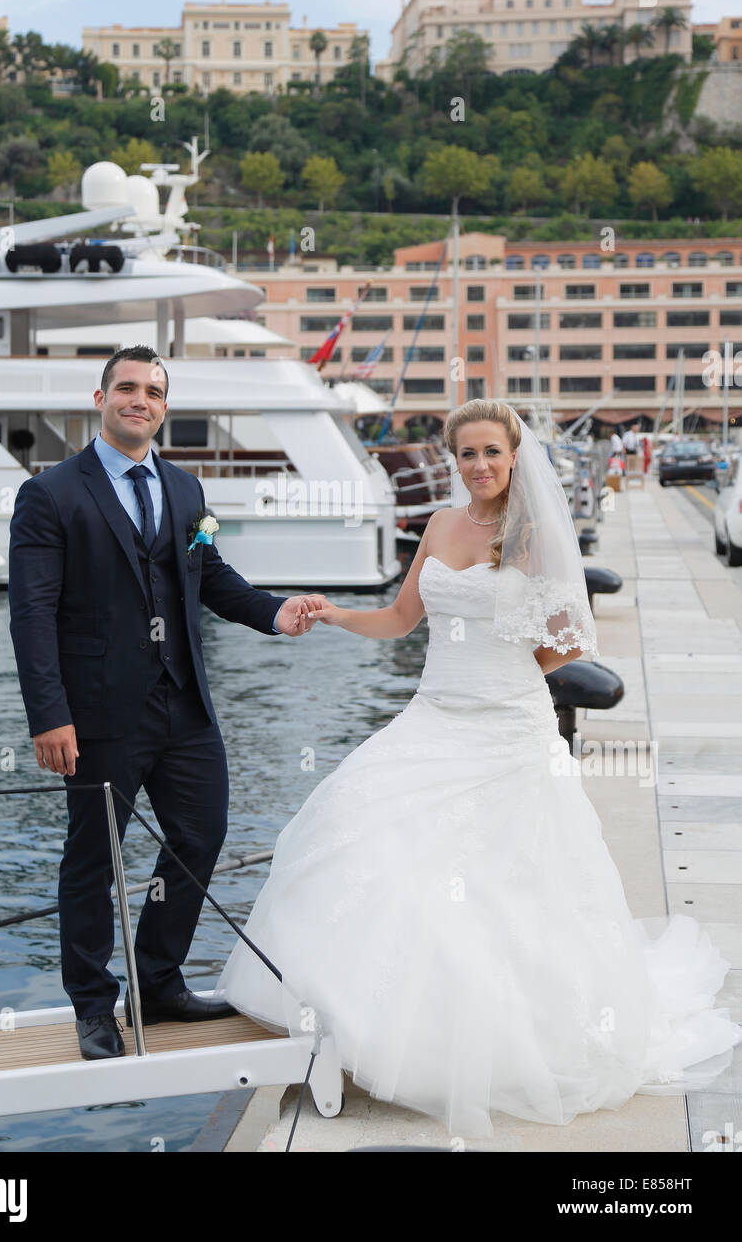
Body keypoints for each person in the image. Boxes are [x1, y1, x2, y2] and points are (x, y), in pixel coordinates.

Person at [215, 398, 741, 1137]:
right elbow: (402, 620)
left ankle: (482, 1046)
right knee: (357, 831)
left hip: (507, 730)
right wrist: (330, 614)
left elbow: (567, 643)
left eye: (493, 452)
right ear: (453, 459)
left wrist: (503, 671)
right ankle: (367, 1028)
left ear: (513, 455)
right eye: (467, 454)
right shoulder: (438, 524)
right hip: (432, 717)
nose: (480, 466)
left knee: (505, 889)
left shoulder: (534, 536)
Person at [8, 346, 327, 1061]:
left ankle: (157, 980)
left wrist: (277, 615)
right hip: (94, 715)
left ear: (162, 406)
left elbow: (211, 577)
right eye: (127, 387)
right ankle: (94, 1006)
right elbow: (32, 613)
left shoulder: (184, 490)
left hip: (183, 709)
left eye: (153, 391)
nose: (139, 400)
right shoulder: (51, 493)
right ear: (100, 397)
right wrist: (48, 716)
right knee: (95, 861)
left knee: (199, 838)